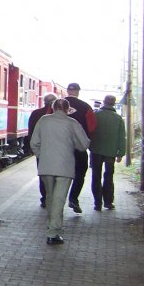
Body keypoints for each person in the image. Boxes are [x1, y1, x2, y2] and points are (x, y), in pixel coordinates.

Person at [31, 98, 90, 245]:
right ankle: (53, 233)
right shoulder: (72, 123)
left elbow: (34, 143)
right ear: (67, 109)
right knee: (59, 199)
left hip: (46, 166)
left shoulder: (43, 120)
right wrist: (74, 144)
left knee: (50, 197)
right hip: (65, 166)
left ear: (53, 108)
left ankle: (52, 225)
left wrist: (42, 156)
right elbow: (84, 144)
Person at [89, 94, 126, 210]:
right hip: (111, 152)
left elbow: (90, 131)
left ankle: (97, 203)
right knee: (109, 176)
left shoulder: (95, 115)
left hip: (96, 150)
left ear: (104, 102)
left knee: (96, 176)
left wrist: (89, 146)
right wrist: (120, 153)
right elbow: (121, 137)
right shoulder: (118, 118)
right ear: (114, 103)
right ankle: (108, 202)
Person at [64, 82, 96, 213]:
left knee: (58, 173)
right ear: (78, 92)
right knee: (80, 172)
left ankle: (53, 199)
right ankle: (73, 198)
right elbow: (92, 127)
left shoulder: (56, 105)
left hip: (60, 146)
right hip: (78, 146)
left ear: (67, 91)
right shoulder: (86, 107)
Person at [25, 93, 58, 207]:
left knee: (43, 174)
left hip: (41, 150)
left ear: (44, 102)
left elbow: (31, 132)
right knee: (56, 174)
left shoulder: (36, 113)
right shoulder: (60, 116)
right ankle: (53, 197)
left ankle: (45, 198)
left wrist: (34, 149)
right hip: (56, 151)